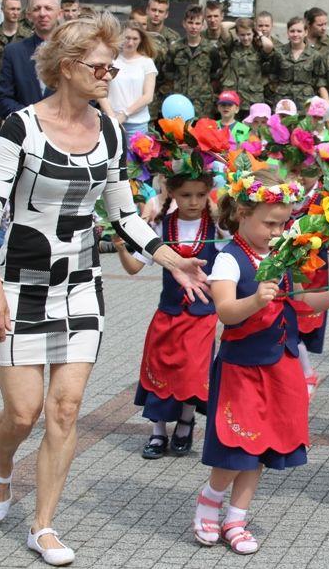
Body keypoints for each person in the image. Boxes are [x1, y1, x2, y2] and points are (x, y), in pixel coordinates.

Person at [0, 12, 208, 566]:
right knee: (23, 413)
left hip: (80, 285)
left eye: (112, 66)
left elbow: (122, 213)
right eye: (101, 66)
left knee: (65, 408)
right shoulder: (21, 127)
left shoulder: (108, 130)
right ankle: (1, 468)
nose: (109, 75)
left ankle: (44, 525)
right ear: (66, 67)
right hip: (20, 284)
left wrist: (172, 259)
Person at [192, 168, 329, 554]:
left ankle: (236, 518)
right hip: (243, 367)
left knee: (264, 445)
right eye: (269, 223)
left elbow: (302, 302)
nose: (276, 231)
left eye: (282, 224)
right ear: (241, 213)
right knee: (239, 444)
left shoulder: (284, 254)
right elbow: (226, 312)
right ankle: (209, 501)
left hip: (280, 364)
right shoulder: (229, 259)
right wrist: (255, 300)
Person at [116, 168, 219, 460]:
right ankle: (158, 431)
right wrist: (122, 247)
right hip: (169, 312)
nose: (194, 201)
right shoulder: (161, 227)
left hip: (202, 314)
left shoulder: (217, 227)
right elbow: (134, 268)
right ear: (171, 193)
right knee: (159, 369)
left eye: (201, 194)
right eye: (186, 195)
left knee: (192, 372)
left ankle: (185, 422)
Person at [0, 0, 60, 119]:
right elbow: (3, 98)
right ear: (29, 15)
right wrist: (32, 117)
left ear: (59, 13)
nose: (42, 13)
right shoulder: (13, 52)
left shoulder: (73, 51)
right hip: (26, 130)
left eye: (48, 8)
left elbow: (86, 96)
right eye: (36, 9)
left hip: (64, 131)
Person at [164, 5, 223, 119]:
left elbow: (215, 77)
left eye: (197, 23)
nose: (194, 27)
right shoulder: (175, 48)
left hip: (203, 106)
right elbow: (169, 75)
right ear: (184, 23)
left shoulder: (211, 49)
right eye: (190, 23)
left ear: (202, 25)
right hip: (179, 103)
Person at [99, 21, 157, 136]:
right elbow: (100, 92)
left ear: (141, 40)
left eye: (135, 39)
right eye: (127, 38)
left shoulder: (147, 63)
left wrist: (124, 114)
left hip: (137, 125)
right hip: (110, 121)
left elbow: (148, 96)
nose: (130, 43)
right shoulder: (111, 60)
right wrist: (113, 119)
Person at [261, 16, 328, 107]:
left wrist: (325, 103)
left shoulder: (315, 55)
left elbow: (319, 81)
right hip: (283, 103)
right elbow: (272, 75)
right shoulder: (278, 53)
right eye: (292, 31)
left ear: (306, 32)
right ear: (288, 33)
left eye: (299, 31)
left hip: (305, 104)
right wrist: (278, 91)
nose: (295, 34)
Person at [146, 0, 181, 119]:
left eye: (160, 11)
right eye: (153, 10)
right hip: (140, 93)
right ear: (147, 10)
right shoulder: (138, 35)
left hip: (164, 96)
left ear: (166, 14)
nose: (156, 14)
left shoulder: (174, 38)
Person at [222, 17, 266, 111]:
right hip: (233, 99)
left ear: (253, 33)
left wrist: (260, 34)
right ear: (237, 34)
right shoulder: (232, 47)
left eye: (248, 34)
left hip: (252, 99)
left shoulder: (259, 49)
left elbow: (269, 46)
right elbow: (223, 26)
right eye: (242, 34)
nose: (246, 38)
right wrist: (238, 24)